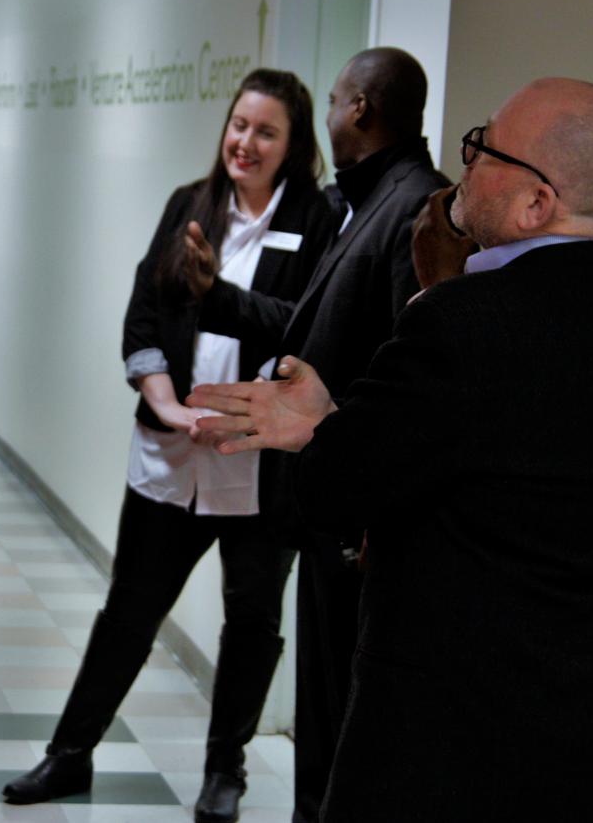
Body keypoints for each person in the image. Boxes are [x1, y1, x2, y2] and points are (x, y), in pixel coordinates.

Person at [189, 77, 593, 822]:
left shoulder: (466, 321)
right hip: (589, 709)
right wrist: (340, 422)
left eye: (484, 149)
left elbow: (336, 490)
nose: (465, 164)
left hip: (456, 722)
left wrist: (325, 431)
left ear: (537, 202)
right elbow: (481, 454)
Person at [1, 69, 337, 823]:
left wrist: (219, 295)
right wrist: (162, 400)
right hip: (171, 457)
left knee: (251, 624)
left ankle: (225, 774)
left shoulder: (319, 219)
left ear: (294, 145)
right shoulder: (190, 204)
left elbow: (301, 326)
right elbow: (143, 313)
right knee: (128, 611)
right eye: (239, 125)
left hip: (259, 470)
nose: (245, 142)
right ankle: (69, 754)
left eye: (266, 131)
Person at [186, 47, 447, 822]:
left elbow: (409, 373)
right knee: (324, 722)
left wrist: (368, 507)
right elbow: (316, 331)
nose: (331, 114)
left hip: (355, 518)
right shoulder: (366, 200)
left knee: (342, 722)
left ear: (359, 109)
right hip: (328, 502)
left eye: (335, 99)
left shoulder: (413, 205)